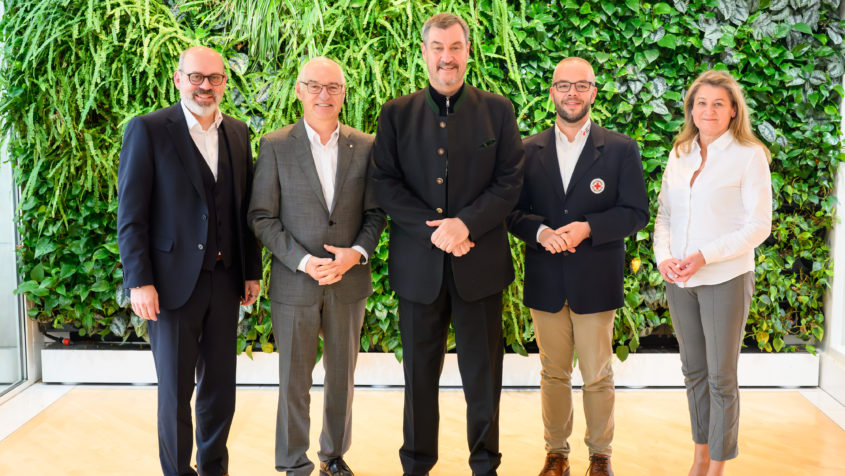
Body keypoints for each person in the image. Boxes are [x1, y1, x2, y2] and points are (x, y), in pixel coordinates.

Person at [369, 12, 524, 476]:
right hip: (419, 270)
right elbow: (385, 184)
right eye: (438, 47)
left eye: (455, 47)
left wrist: (466, 225)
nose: (446, 57)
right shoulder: (396, 115)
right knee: (418, 378)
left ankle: (485, 465)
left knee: (484, 377)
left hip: (479, 267)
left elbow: (510, 181)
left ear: (468, 51)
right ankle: (416, 465)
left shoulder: (498, 110)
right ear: (424, 52)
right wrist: (438, 229)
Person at [117, 46, 262, 476]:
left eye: (214, 78)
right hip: (169, 286)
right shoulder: (148, 130)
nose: (206, 85)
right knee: (176, 393)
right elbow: (131, 214)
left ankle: (213, 468)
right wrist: (138, 280)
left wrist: (251, 271)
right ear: (178, 79)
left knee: (220, 389)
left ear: (223, 82)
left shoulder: (237, 133)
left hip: (225, 280)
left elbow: (243, 210)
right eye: (196, 77)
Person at [507, 57, 649, 476]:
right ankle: (557, 453)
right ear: (552, 92)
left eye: (581, 85)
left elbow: (636, 212)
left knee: (597, 373)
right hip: (546, 279)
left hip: (595, 280)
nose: (572, 93)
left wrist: (589, 228)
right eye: (563, 85)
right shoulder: (527, 150)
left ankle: (600, 455)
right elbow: (512, 212)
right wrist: (540, 232)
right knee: (553, 372)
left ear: (594, 92)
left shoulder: (621, 148)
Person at [248, 57, 386, 476]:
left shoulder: (366, 145)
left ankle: (333, 456)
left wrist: (354, 254)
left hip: (348, 281)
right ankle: (293, 462)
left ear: (344, 93)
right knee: (294, 381)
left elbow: (377, 213)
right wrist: (305, 262)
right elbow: (261, 217)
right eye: (314, 86)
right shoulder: (275, 145)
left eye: (333, 87)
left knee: (342, 378)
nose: (324, 95)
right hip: (296, 284)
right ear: (299, 91)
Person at [653, 70, 772, 476]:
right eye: (701, 103)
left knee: (721, 377)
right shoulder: (680, 152)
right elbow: (665, 214)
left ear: (733, 110)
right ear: (691, 108)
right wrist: (663, 257)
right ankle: (700, 454)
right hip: (681, 280)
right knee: (694, 371)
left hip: (725, 278)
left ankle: (718, 466)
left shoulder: (749, 155)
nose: (708, 110)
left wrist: (705, 255)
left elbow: (759, 226)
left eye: (718, 103)